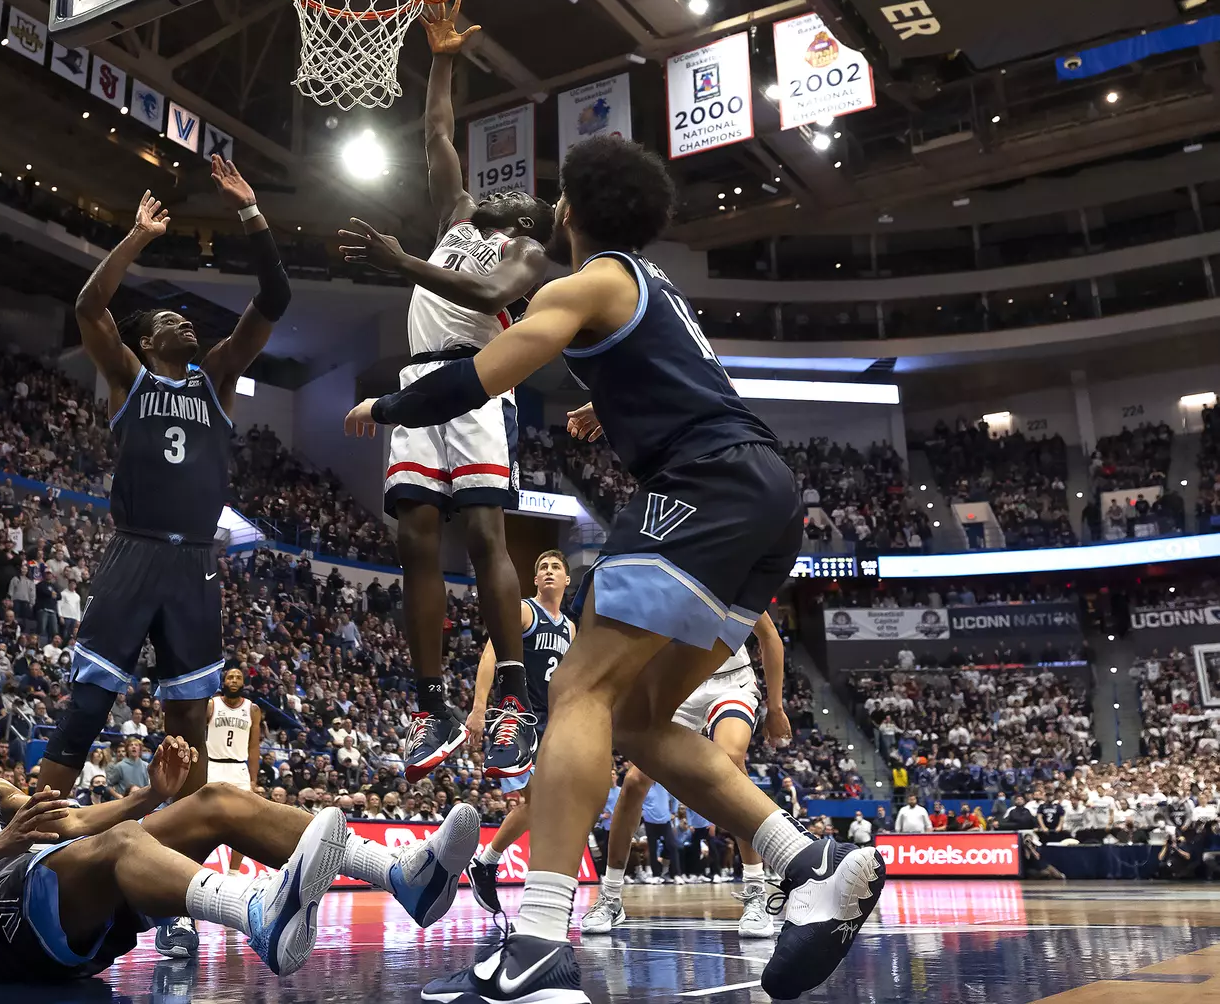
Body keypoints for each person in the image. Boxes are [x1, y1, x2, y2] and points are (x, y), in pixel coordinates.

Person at [342, 136, 883, 1003]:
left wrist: (391, 403)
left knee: (577, 697)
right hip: (767, 496)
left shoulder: (586, 282)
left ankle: (540, 941)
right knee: (632, 719)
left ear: (570, 211)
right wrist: (613, 398)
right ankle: (807, 858)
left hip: (701, 486)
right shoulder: (650, 285)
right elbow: (677, 373)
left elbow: (479, 378)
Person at [0, 679, 482, 981]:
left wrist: (150, 795)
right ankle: (257, 913)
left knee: (215, 799)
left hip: (57, 890)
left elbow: (74, 823)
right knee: (117, 844)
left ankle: (407, 877)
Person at [40, 161, 287, 813]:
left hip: (197, 562)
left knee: (188, 721)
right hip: (136, 548)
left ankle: (184, 872)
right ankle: (27, 838)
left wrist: (251, 211)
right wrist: (137, 238)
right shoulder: (130, 378)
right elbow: (90, 306)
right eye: (171, 320)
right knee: (90, 700)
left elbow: (276, 297)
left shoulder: (219, 377)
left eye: (188, 319)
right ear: (148, 341)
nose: (186, 322)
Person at [361, 0, 552, 780]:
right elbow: (437, 134)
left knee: (482, 535)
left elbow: (484, 298)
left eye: (527, 198)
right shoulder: (458, 215)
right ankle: (429, 698)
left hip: (475, 382)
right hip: (417, 376)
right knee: (414, 537)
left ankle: (512, 687)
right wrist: (440, 57)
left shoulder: (531, 254)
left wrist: (404, 264)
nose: (510, 193)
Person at [581, 612, 792, 939]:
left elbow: (770, 639)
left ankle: (755, 892)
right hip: (677, 689)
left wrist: (775, 709)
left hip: (731, 683)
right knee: (636, 781)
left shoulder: (738, 577)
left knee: (732, 759)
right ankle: (610, 896)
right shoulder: (669, 580)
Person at [465, 550, 573, 915]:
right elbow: (490, 655)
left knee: (542, 805)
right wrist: (479, 708)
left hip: (552, 721)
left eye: (555, 567)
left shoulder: (570, 628)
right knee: (541, 802)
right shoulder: (524, 610)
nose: (547, 571)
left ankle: (488, 863)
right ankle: (525, 881)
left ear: (567, 580)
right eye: (542, 567)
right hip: (518, 719)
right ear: (535, 579)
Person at [197, 665, 261, 925]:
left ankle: (233, 874)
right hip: (213, 765)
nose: (233, 680)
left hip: (238, 768)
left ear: (243, 682)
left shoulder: (253, 709)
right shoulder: (211, 705)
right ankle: (197, 872)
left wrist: (254, 779)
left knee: (243, 825)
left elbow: (254, 745)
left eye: (238, 677)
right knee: (203, 822)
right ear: (223, 681)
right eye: (229, 677)